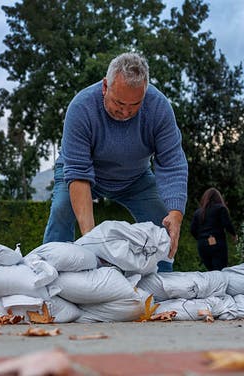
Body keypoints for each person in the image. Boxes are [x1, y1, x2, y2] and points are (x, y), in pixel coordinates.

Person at [42, 52, 188, 272]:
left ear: (145, 94)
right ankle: (48, 271)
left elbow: (172, 163)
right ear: (105, 87)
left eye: (134, 105)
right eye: (119, 102)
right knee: (62, 209)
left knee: (163, 224)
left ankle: (163, 283)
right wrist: (92, 244)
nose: (125, 111)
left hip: (135, 177)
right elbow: (79, 173)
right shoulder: (81, 107)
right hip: (81, 172)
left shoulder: (159, 108)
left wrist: (176, 213)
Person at [190, 188, 237, 271]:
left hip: (202, 245)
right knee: (220, 271)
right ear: (218, 198)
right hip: (217, 243)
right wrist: (234, 234)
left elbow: (192, 230)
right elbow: (227, 224)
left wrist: (201, 238)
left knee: (211, 272)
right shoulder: (221, 208)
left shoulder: (198, 212)